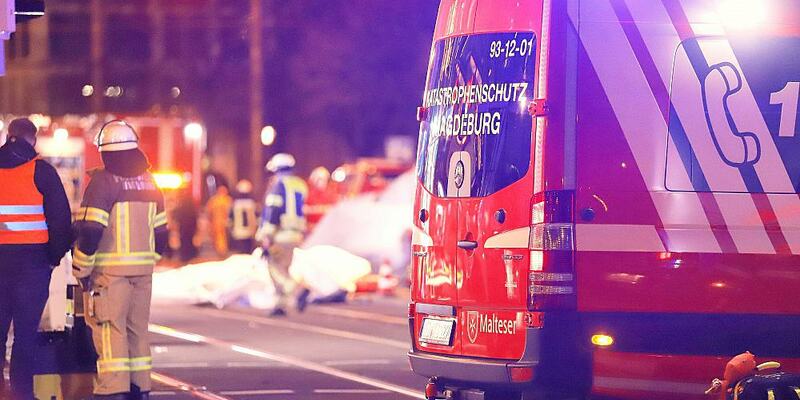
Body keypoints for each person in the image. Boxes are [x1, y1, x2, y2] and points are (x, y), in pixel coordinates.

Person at [72, 120, 168, 400]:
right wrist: (148, 260)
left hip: (110, 273)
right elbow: (162, 233)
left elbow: (90, 231)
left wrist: (80, 266)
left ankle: (112, 392)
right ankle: (141, 389)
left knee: (110, 330)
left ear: (105, 152)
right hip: (143, 272)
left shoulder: (103, 182)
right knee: (137, 332)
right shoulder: (151, 182)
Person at [0, 118, 73, 400]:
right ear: (34, 140)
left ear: (9, 136)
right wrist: (53, 257)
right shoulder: (41, 171)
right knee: (25, 336)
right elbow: (60, 220)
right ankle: (21, 395)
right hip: (32, 265)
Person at [257, 153, 309, 316]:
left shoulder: (278, 186)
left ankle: (299, 290)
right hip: (296, 235)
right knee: (285, 267)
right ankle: (280, 305)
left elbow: (273, 211)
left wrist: (267, 235)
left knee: (275, 269)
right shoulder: (300, 185)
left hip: (280, 236)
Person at [229, 180, 258, 254]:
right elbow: (257, 217)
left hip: (239, 232)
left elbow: (231, 218)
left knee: (241, 252)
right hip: (250, 232)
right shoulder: (252, 204)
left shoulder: (235, 204)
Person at [206, 185, 232, 257]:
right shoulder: (227, 200)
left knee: (220, 237)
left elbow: (208, 212)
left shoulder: (214, 200)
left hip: (218, 221)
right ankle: (222, 250)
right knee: (221, 237)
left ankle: (221, 250)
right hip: (222, 222)